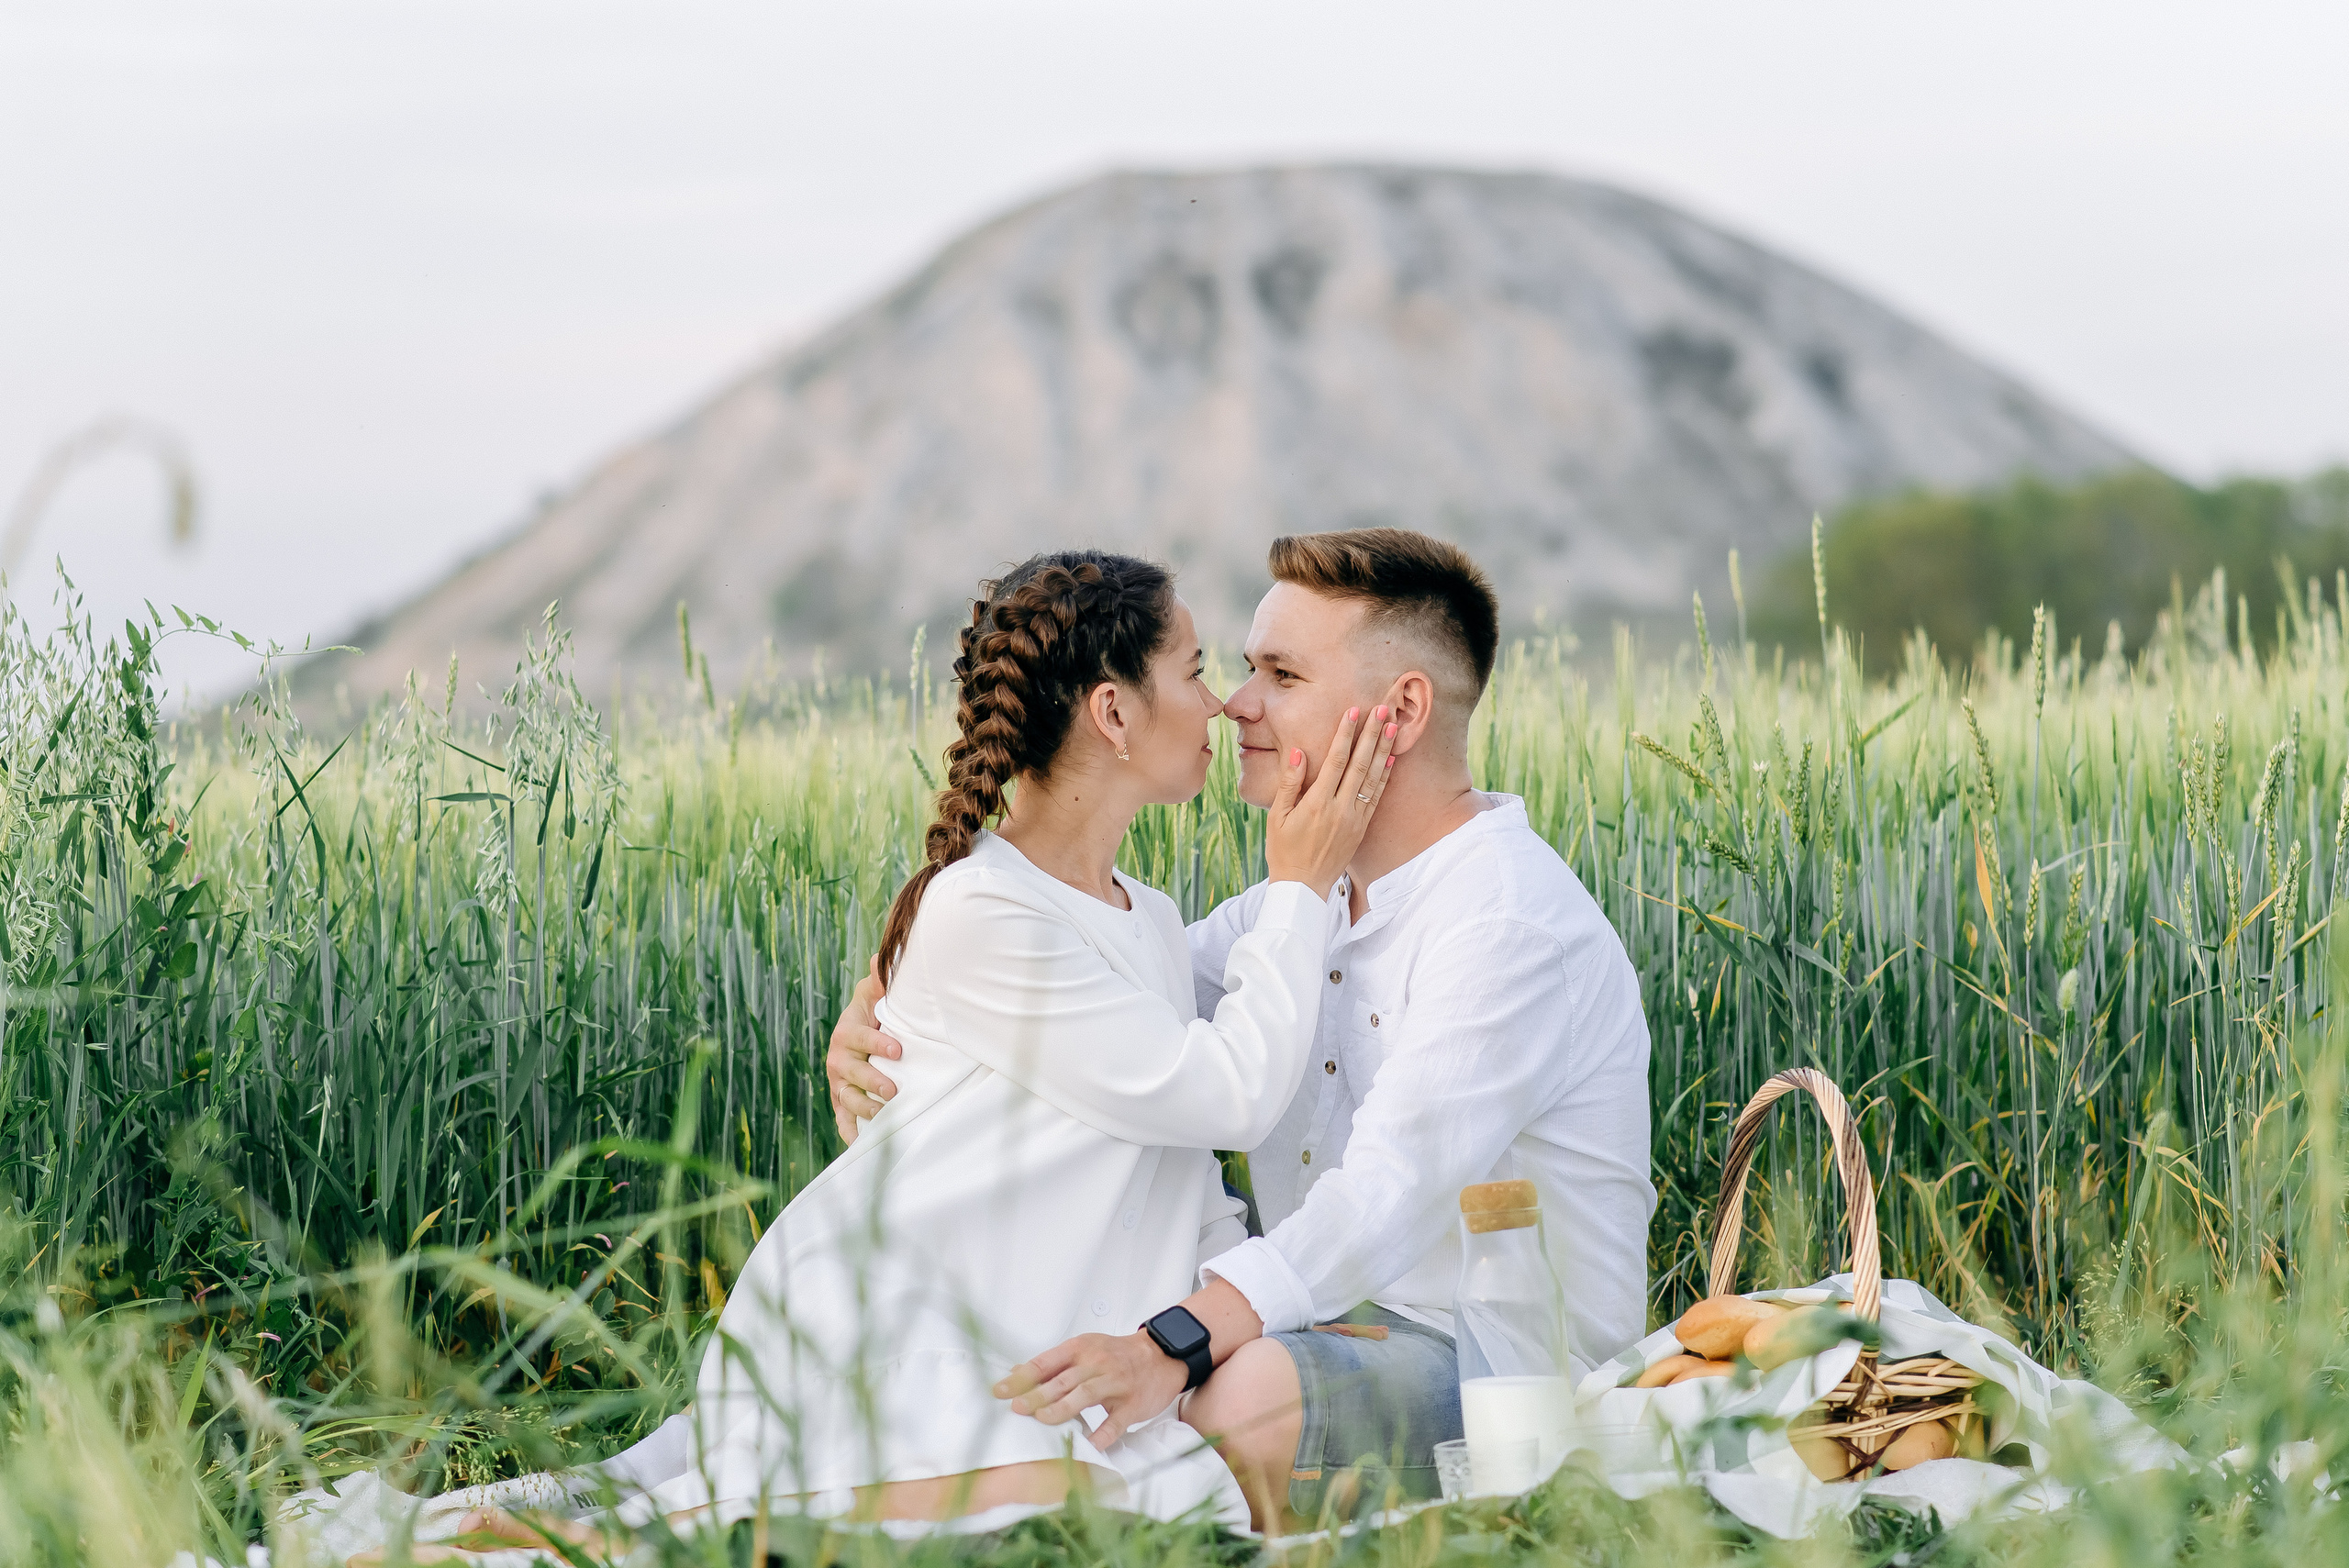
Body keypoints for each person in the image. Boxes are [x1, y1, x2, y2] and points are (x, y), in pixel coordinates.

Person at [360, 550, 1400, 1563]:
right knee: (1017, 1507)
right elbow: (1226, 1097)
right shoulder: (984, 908)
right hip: (898, 1325)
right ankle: (561, 1544)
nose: (1220, 704)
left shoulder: (1151, 918)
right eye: (1193, 668)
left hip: (1027, 1327)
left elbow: (1171, 1161)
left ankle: (582, 1537)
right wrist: (1301, 884)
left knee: (1112, 1495)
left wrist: (1228, 1319)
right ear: (1113, 711)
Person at [830, 528, 1655, 1532]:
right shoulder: (1306, 905)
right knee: (1124, 1387)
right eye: (1239, 669)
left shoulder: (1506, 923)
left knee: (1238, 1396)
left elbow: (1380, 1200)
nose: (1237, 702)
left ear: (1397, 711)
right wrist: (890, 1006)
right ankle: (866, 1513)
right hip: (1308, 1318)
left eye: (1280, 672)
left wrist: (1171, 1339)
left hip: (1490, 1356)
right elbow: (1086, 981)